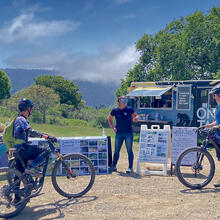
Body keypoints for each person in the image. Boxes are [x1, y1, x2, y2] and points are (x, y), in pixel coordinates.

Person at [13, 98, 51, 203]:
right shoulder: (22, 119)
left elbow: (25, 133)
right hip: (23, 149)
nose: (31, 110)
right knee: (46, 150)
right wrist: (44, 136)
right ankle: (31, 168)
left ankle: (17, 198)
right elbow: (29, 130)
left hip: (18, 151)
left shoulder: (17, 119)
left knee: (19, 173)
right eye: (31, 108)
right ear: (27, 108)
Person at [108, 95, 138, 173]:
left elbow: (136, 115)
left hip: (128, 133)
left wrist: (135, 118)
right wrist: (113, 127)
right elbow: (109, 119)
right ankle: (114, 166)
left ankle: (130, 167)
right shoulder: (115, 110)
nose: (125, 101)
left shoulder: (129, 109)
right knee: (116, 151)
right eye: (123, 100)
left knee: (129, 150)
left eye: (126, 100)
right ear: (119, 101)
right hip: (119, 133)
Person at [204, 86, 220, 187]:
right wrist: (208, 125)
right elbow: (218, 121)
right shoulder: (219, 106)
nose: (213, 97)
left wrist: (217, 126)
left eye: (214, 95)